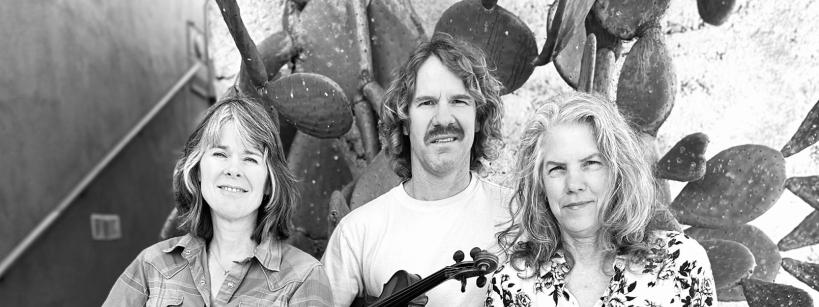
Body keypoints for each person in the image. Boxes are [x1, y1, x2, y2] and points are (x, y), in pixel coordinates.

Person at [322, 33, 513, 306]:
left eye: (459, 101)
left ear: (479, 118)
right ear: (404, 121)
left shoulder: (518, 218)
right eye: (427, 103)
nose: (443, 118)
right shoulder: (358, 232)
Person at [486, 92, 715, 307]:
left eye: (591, 164)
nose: (574, 184)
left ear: (617, 172)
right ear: (540, 185)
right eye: (557, 169)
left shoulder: (680, 262)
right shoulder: (512, 284)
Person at [103, 95, 333, 306]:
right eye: (220, 154)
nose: (234, 170)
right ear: (199, 171)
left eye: (250, 159)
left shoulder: (303, 277)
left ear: (269, 183)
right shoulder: (152, 266)